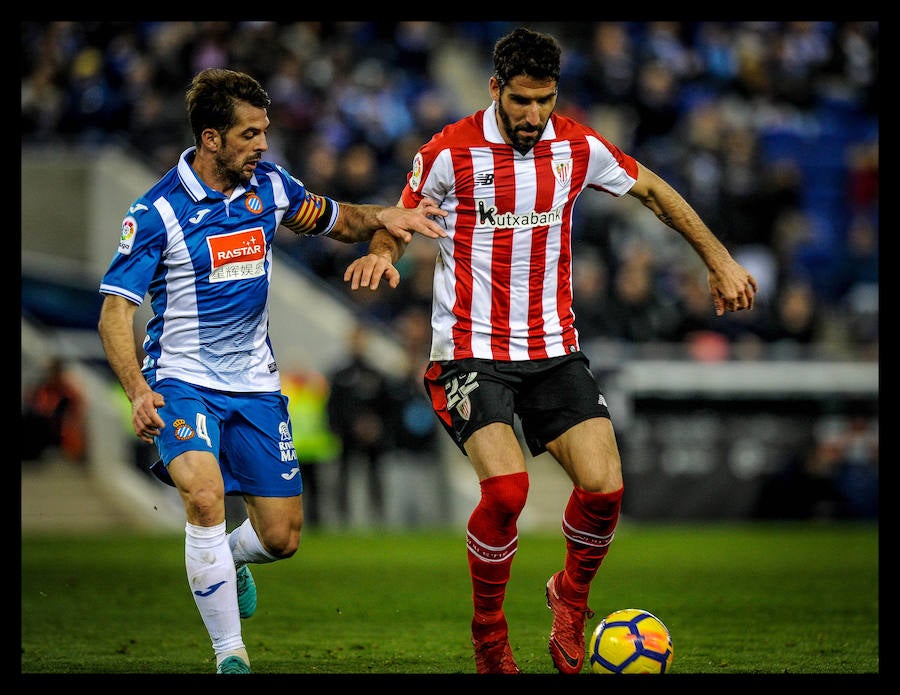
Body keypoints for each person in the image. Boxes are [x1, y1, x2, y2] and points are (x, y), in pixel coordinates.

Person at [344, 27, 758, 674]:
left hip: (554, 350)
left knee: (605, 486)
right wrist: (379, 254)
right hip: (469, 353)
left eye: (545, 100)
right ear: (495, 90)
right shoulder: (449, 151)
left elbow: (653, 190)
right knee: (506, 490)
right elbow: (401, 221)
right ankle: (489, 637)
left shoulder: (576, 145)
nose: (534, 115)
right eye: (521, 101)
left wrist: (719, 259)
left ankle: (570, 599)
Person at [96, 67, 446, 675]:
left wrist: (391, 218)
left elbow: (339, 219)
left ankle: (227, 560)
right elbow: (113, 314)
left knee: (281, 537)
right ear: (211, 138)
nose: (263, 144)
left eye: (265, 131)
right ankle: (230, 655)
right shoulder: (155, 212)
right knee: (205, 497)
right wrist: (137, 390)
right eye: (250, 134)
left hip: (256, 385)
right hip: (181, 379)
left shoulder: (271, 187)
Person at [326, 324, 392, 526]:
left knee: (375, 477)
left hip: (372, 438)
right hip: (347, 436)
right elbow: (332, 407)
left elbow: (386, 406)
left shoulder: (375, 373)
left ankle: (378, 517)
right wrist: (341, 429)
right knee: (343, 477)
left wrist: (376, 427)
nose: (358, 344)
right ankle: (343, 518)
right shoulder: (339, 375)